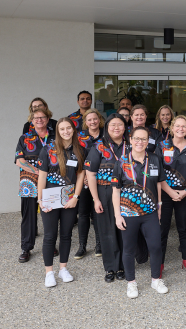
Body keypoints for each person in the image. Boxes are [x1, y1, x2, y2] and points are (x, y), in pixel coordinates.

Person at [111, 126, 168, 299]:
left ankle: (155, 279)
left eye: (144, 139)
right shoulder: (121, 162)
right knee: (128, 249)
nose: (140, 142)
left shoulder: (155, 159)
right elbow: (116, 191)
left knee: (156, 246)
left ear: (148, 141)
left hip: (150, 212)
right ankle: (131, 283)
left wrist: (159, 206)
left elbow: (158, 183)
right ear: (130, 140)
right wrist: (117, 215)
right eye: (137, 138)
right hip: (128, 214)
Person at [38, 117, 86, 287]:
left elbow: (80, 176)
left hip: (69, 198)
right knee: (50, 235)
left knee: (66, 234)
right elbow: (42, 176)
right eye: (62, 129)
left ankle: (63, 268)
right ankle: (49, 272)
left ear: (73, 130)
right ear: (57, 132)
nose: (66, 132)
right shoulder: (48, 150)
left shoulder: (79, 150)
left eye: (68, 128)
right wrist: (40, 199)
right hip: (50, 198)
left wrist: (75, 197)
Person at [84, 113, 128, 283]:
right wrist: (96, 199)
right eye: (112, 125)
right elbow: (91, 173)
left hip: (127, 194)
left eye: (120, 125)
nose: (116, 128)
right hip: (104, 192)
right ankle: (111, 267)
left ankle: (123, 265)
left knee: (124, 229)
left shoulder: (131, 145)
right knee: (107, 230)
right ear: (107, 128)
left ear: (125, 127)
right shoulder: (99, 146)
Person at [155, 115, 186, 277]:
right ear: (172, 128)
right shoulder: (162, 146)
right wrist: (171, 192)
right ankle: (159, 264)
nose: (180, 129)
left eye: (184, 126)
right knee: (162, 229)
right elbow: (158, 174)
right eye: (178, 126)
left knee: (185, 228)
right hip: (165, 193)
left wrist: (185, 192)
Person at [15, 108, 56, 263]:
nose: (39, 120)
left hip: (52, 181)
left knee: (50, 214)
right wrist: (40, 172)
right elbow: (19, 160)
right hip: (29, 182)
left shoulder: (55, 136)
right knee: (29, 215)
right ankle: (26, 247)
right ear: (31, 121)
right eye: (36, 118)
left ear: (48, 119)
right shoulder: (24, 138)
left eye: (42, 117)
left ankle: (50, 245)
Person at [74, 109, 105, 260]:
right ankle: (82, 246)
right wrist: (85, 175)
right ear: (85, 122)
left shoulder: (106, 135)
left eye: (95, 119)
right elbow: (77, 157)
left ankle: (99, 245)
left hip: (101, 179)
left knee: (98, 212)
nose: (92, 122)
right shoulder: (79, 137)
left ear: (99, 119)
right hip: (84, 179)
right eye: (89, 120)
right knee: (83, 213)